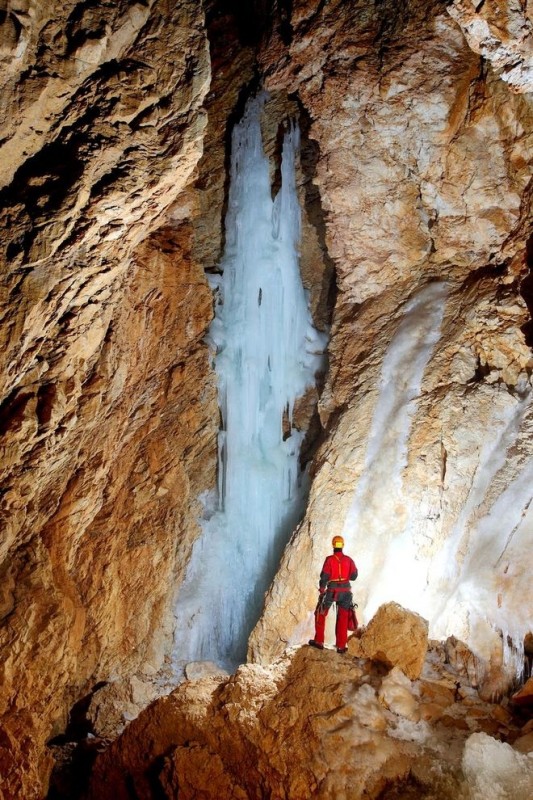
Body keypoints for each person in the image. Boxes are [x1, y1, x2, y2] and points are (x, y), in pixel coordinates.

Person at [308, 535, 358, 654]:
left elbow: (324, 576)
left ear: (333, 545)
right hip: (346, 591)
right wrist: (345, 577)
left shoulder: (329, 560)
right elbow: (354, 576)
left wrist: (321, 589)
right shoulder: (349, 560)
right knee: (343, 617)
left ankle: (319, 641)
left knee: (320, 613)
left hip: (332, 591)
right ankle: (341, 646)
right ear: (342, 545)